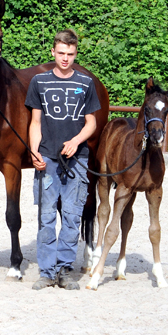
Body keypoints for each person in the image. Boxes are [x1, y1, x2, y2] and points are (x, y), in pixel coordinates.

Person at [25, 29, 101, 290]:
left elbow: (91, 123)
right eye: (61, 53)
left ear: (75, 53)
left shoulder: (86, 83)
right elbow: (35, 122)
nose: (65, 58)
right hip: (47, 158)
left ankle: (65, 270)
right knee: (46, 216)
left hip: (77, 160)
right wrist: (34, 151)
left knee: (71, 216)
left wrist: (77, 140)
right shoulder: (39, 82)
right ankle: (46, 272)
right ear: (53, 52)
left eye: (70, 54)